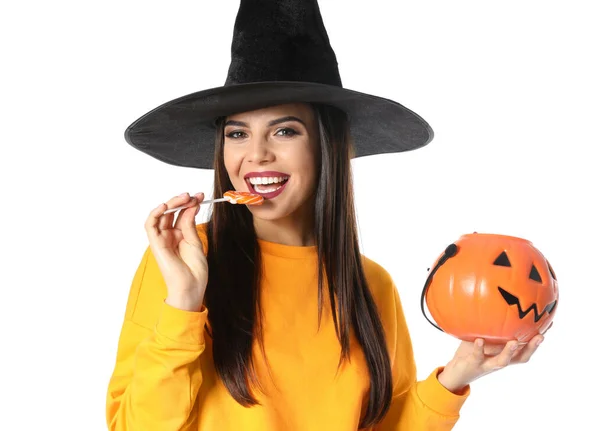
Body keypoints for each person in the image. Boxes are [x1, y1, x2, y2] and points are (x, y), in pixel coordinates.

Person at [106, 1, 547, 430]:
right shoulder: (186, 262)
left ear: (326, 147)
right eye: (237, 133)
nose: (255, 154)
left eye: (284, 131)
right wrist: (184, 303)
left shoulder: (371, 284)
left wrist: (457, 376)